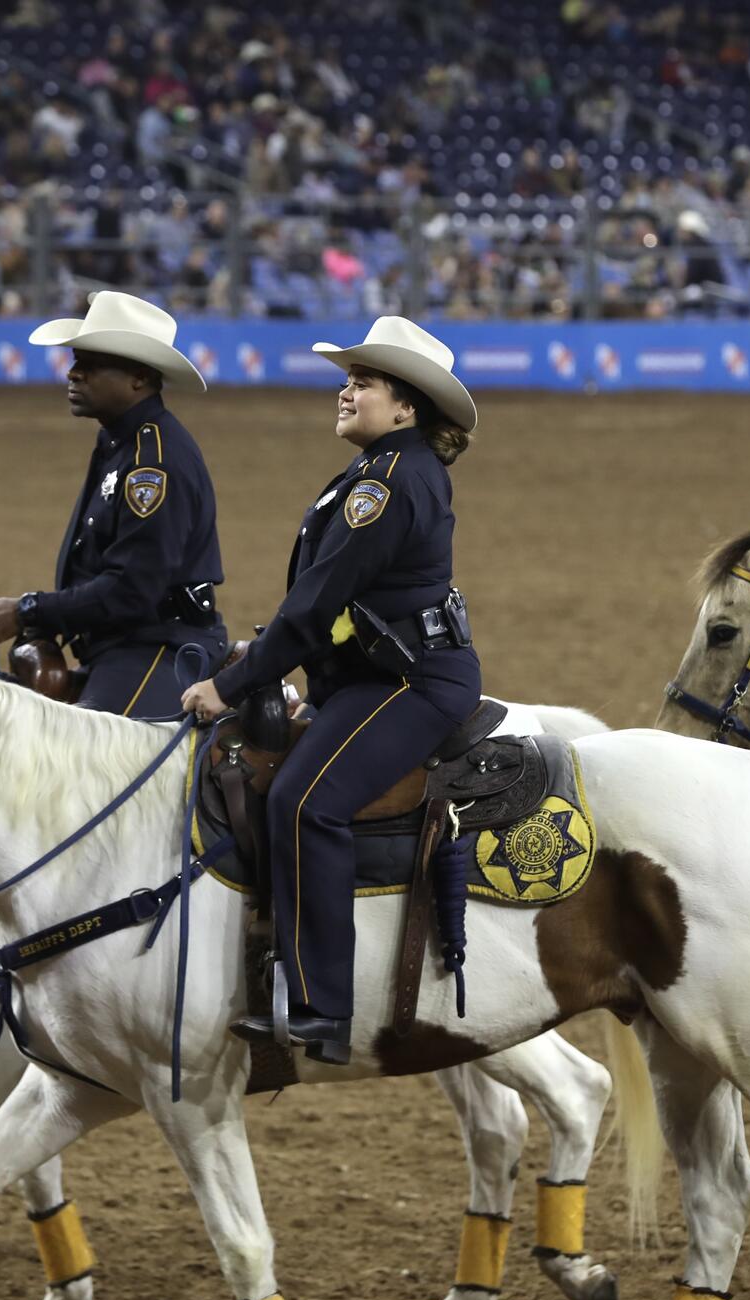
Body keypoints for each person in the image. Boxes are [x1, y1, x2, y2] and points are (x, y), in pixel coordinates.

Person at [179, 317, 482, 1064]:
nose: (346, 390)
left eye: (365, 382)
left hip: (409, 682)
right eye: (349, 379)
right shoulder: (379, 472)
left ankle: (322, 1006)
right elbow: (324, 607)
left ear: (406, 407)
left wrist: (233, 682)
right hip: (374, 676)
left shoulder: (387, 481)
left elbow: (317, 602)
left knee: (305, 799)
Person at [0, 291, 226, 716]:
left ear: (139, 378)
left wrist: (31, 609)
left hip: (160, 647)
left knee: (85, 767)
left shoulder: (154, 461)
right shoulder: (120, 440)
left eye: (90, 364)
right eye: (75, 361)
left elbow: (132, 590)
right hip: (125, 644)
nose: (73, 373)